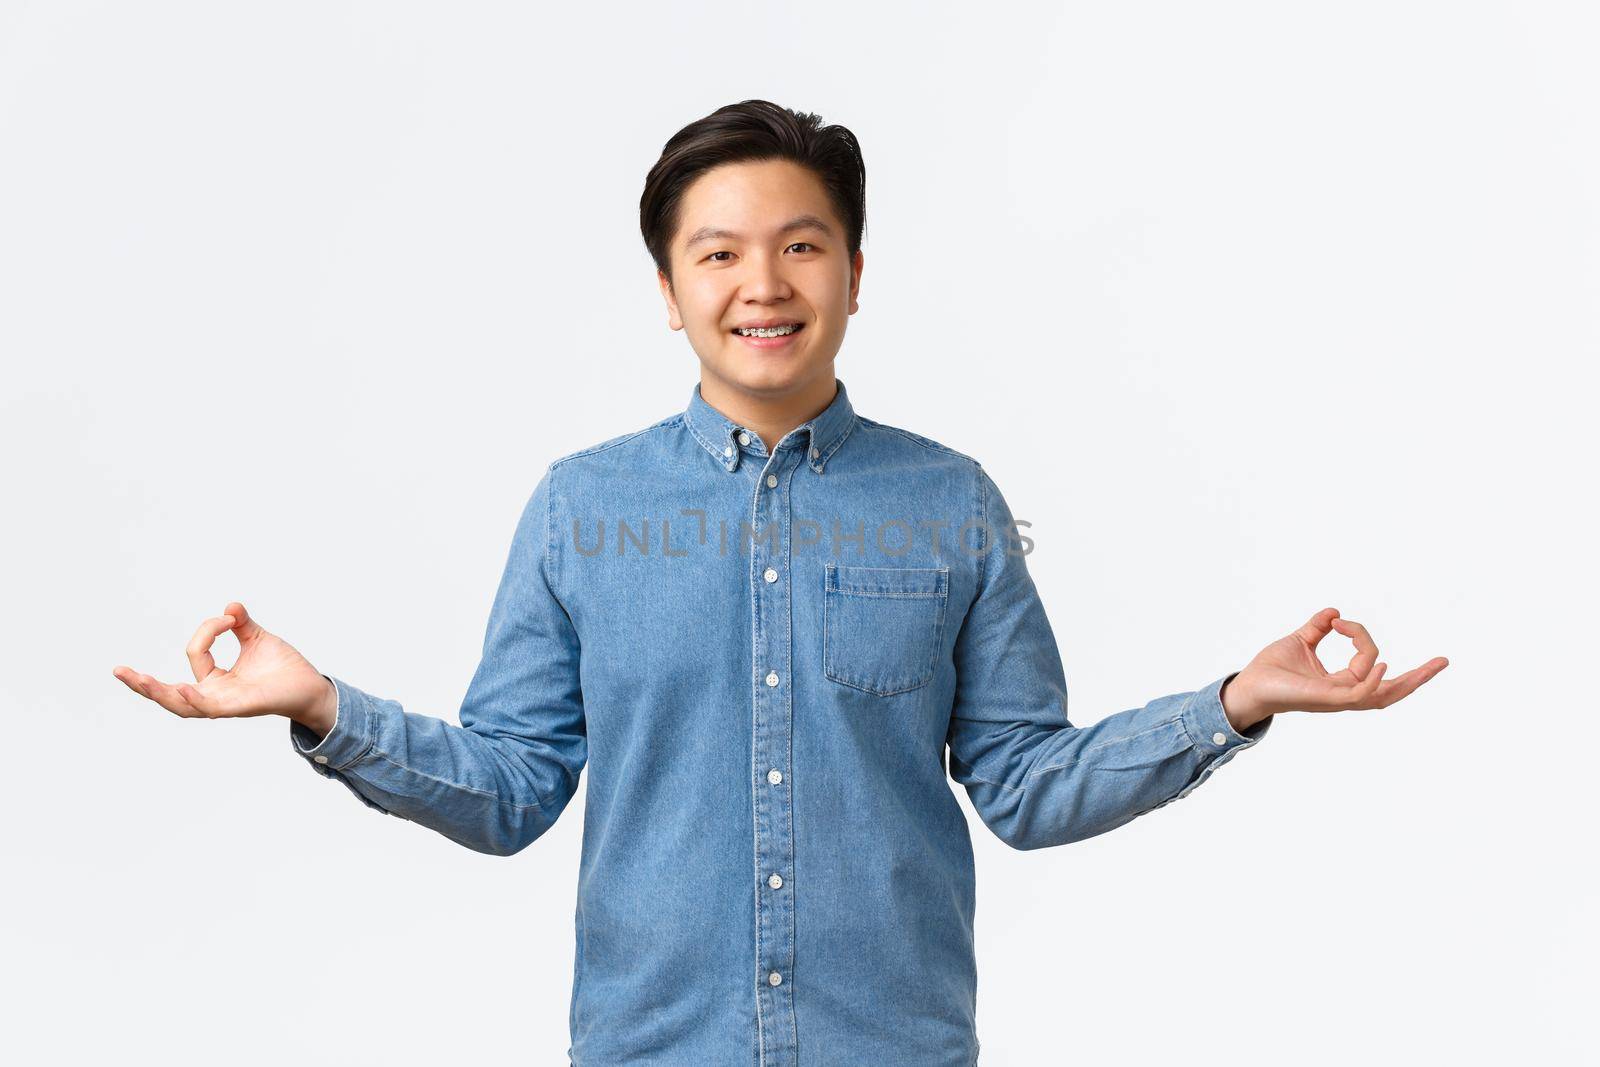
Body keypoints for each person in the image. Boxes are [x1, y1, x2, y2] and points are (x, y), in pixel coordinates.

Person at [112, 99, 1449, 1066]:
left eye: (803, 246)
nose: (765, 282)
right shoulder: (583, 508)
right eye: (721, 252)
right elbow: (514, 785)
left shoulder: (949, 505)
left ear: (856, 275)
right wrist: (322, 708)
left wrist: (1234, 702)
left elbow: (1028, 786)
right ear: (669, 288)